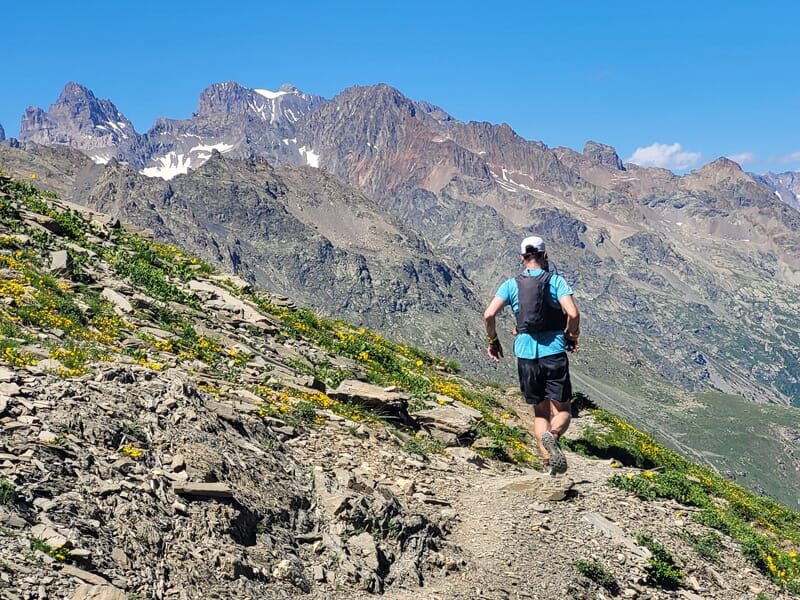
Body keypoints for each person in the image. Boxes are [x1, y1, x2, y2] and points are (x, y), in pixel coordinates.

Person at [483, 235, 580, 475]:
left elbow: (488, 315)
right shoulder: (556, 281)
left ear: (521, 258)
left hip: (525, 353)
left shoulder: (510, 284)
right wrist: (571, 336)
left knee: (540, 413)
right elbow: (573, 314)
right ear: (545, 255)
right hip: (554, 351)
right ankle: (554, 435)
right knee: (564, 410)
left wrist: (493, 340)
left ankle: (549, 467)